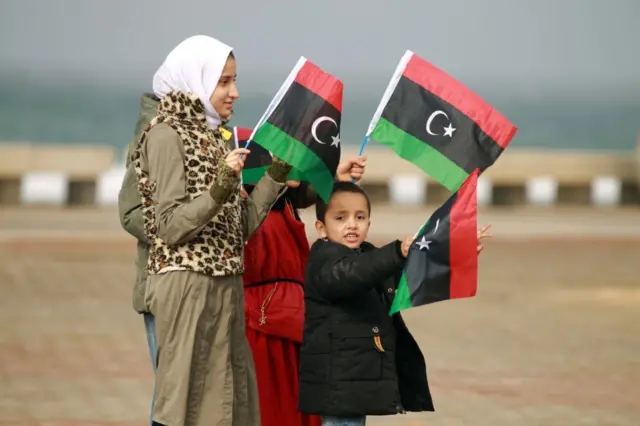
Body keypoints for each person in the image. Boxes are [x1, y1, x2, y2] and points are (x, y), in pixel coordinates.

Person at [131, 35, 293, 426]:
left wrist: (276, 175)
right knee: (182, 406)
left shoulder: (212, 134)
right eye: (223, 82)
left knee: (230, 407)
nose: (234, 92)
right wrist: (220, 187)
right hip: (187, 285)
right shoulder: (165, 134)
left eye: (233, 80)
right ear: (195, 80)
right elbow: (168, 225)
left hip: (225, 285)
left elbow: (238, 229)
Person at [298, 182, 491, 425]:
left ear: (369, 224)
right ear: (321, 228)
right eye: (340, 217)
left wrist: (457, 254)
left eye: (360, 217)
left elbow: (411, 276)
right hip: (337, 380)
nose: (351, 224)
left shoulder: (368, 254)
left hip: (356, 376)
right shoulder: (324, 259)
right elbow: (351, 275)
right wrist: (397, 251)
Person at [242, 159, 366, 426]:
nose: (293, 165)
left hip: (292, 321)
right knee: (272, 409)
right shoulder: (251, 213)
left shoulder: (283, 204)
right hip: (262, 328)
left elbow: (300, 190)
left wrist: (334, 178)